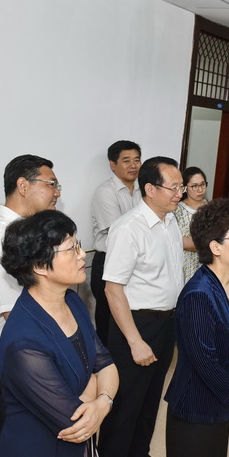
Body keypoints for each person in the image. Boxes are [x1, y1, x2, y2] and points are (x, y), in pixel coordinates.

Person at [0, 210, 119, 457]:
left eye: (79, 245)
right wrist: (97, 388)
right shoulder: (24, 343)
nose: (82, 254)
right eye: (72, 248)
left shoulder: (72, 301)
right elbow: (74, 421)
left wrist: (102, 401)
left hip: (80, 453)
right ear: (40, 265)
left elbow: (106, 363)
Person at [0, 154, 61, 457]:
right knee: (1, 452)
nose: (56, 193)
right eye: (51, 184)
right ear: (23, 185)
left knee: (25, 449)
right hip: (6, 354)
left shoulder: (28, 233)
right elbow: (15, 315)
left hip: (30, 351)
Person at [98, 156, 185, 457]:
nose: (179, 193)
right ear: (150, 189)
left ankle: (137, 456)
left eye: (181, 186)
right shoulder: (129, 228)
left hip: (165, 323)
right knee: (125, 403)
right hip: (135, 325)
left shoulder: (169, 221)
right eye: (173, 187)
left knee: (150, 397)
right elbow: (113, 289)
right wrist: (135, 341)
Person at [162, 198, 229, 457]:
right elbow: (204, 361)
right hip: (196, 407)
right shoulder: (198, 295)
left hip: (220, 401)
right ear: (216, 247)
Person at [90, 140, 142, 345]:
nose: (133, 165)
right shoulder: (105, 192)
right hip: (108, 262)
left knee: (131, 318)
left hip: (136, 262)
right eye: (126, 160)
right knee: (108, 321)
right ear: (113, 165)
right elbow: (119, 233)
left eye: (137, 160)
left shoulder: (145, 190)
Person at [174, 166, 208, 282]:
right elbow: (180, 241)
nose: (200, 189)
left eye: (202, 184)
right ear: (185, 188)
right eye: (194, 186)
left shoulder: (212, 209)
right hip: (184, 266)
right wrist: (207, 243)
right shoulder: (177, 210)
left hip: (207, 265)